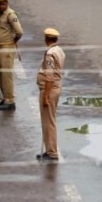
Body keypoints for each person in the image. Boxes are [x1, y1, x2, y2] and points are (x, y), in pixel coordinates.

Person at [36, 28, 66, 162]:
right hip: (56, 87)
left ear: (46, 39)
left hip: (50, 89)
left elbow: (49, 76)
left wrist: (46, 96)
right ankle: (50, 150)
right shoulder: (59, 50)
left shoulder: (50, 53)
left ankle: (52, 152)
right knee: (50, 120)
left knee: (48, 122)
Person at [0, 0, 22, 111]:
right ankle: (5, 98)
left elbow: (19, 32)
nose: (1, 6)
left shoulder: (11, 15)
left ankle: (10, 100)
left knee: (6, 75)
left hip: (7, 47)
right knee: (0, 74)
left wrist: (13, 42)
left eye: (3, 4)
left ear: (7, 3)